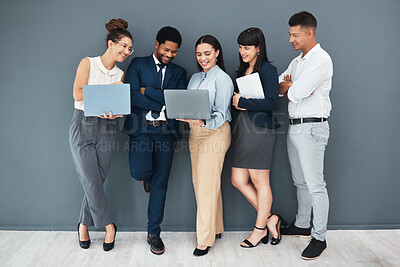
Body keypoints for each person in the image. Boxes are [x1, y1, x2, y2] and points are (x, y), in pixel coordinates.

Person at [69, 18, 133, 251]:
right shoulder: (88, 63)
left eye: (129, 48)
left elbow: (115, 107)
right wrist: (105, 95)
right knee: (90, 180)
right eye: (123, 46)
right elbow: (77, 94)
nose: (126, 51)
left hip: (107, 128)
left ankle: (83, 224)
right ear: (110, 44)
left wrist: (113, 114)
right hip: (83, 125)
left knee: (96, 181)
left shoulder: (120, 73)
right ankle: (108, 226)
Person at [122, 26, 186, 255]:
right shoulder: (138, 64)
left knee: (161, 183)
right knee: (139, 171)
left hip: (166, 132)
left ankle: (153, 233)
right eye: (166, 49)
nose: (169, 55)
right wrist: (160, 104)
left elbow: (177, 102)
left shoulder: (179, 72)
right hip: (141, 130)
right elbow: (130, 95)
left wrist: (147, 90)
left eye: (174, 51)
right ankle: (145, 177)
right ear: (156, 44)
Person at [278, 11, 333, 260]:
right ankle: (302, 224)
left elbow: (294, 92)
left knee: (315, 185)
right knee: (300, 181)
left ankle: (319, 237)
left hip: (312, 128)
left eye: (295, 34)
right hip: (294, 126)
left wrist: (292, 87)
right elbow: (280, 87)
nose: (290, 39)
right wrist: (291, 87)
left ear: (310, 32)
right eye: (290, 34)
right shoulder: (297, 61)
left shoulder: (321, 60)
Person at [178, 35, 233, 256]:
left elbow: (221, 114)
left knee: (206, 186)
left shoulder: (223, 79)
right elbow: (190, 104)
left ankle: (205, 239)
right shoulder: (194, 78)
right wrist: (184, 115)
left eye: (207, 54)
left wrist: (202, 121)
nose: (203, 58)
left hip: (216, 134)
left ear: (217, 53)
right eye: (199, 54)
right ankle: (216, 227)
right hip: (195, 134)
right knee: (202, 183)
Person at [230, 27, 281, 248]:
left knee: (261, 182)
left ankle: (259, 230)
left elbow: (272, 103)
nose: (243, 51)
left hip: (261, 131)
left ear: (259, 48)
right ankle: (271, 218)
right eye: (241, 47)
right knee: (237, 180)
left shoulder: (268, 70)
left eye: (247, 48)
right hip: (242, 130)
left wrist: (243, 103)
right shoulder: (240, 73)